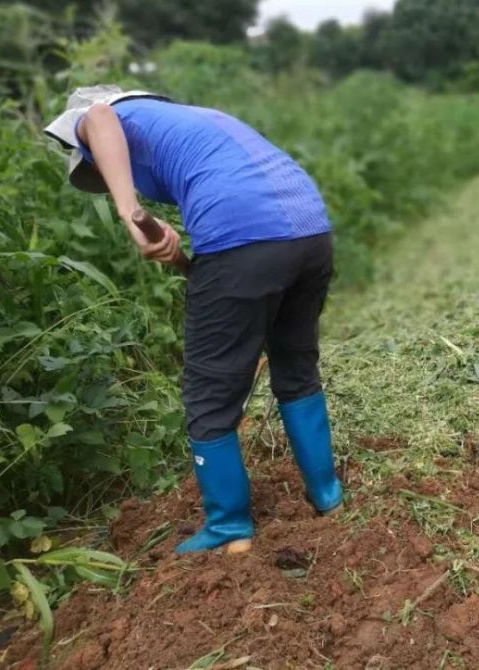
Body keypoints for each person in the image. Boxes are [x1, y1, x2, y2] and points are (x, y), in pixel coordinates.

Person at [44, 85, 343, 555]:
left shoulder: (105, 115)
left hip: (244, 236)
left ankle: (229, 527)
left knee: (208, 390)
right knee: (296, 366)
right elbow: (235, 240)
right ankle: (328, 496)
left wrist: (129, 213)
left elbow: (98, 118)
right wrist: (181, 256)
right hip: (309, 231)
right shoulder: (190, 123)